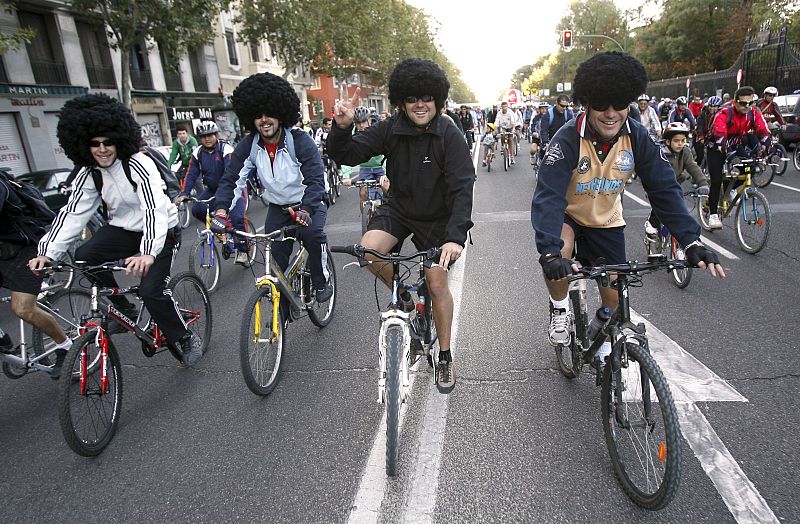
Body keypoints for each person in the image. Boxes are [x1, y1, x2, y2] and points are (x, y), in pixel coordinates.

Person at [531, 52, 724, 367]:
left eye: (619, 104)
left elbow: (664, 189)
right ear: (587, 103)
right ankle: (560, 307)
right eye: (601, 104)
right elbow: (549, 197)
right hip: (568, 215)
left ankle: (603, 348)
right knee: (559, 250)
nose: (611, 113)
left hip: (607, 219)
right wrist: (550, 253)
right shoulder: (566, 139)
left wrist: (691, 241)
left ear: (629, 103)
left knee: (614, 300)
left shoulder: (638, 137)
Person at [327, 58, 475, 393]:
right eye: (411, 98)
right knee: (368, 251)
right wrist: (342, 127)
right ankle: (405, 298)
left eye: (427, 97)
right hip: (399, 210)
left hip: (438, 218)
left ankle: (445, 356)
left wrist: (455, 238)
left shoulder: (449, 133)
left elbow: (463, 188)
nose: (420, 104)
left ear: (438, 99)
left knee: (436, 283)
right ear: (401, 102)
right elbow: (348, 154)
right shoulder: (391, 128)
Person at [30, 93, 203, 366]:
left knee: (151, 291)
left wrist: (148, 253)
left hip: (161, 231)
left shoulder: (139, 163)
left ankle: (184, 336)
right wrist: (47, 252)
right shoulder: (90, 172)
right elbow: (73, 213)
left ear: (119, 140)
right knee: (85, 256)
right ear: (84, 145)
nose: (102, 149)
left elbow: (154, 209)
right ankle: (125, 310)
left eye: (108, 142)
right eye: (94, 143)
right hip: (123, 230)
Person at [212, 72, 333, 303]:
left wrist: (307, 209)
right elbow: (231, 180)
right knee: (276, 266)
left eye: (269, 113)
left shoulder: (300, 141)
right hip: (278, 208)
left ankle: (321, 281)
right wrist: (221, 211)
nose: (264, 120)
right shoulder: (249, 146)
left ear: (281, 114)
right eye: (258, 115)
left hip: (308, 204)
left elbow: (316, 180)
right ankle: (283, 312)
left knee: (313, 236)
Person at [0, 174, 72, 377]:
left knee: (22, 308)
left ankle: (65, 345)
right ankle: (2, 337)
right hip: (2, 251)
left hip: (25, 248)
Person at [175, 122, 250, 265]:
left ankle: (243, 249)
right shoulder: (198, 153)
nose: (207, 139)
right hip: (212, 189)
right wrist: (184, 193)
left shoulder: (226, 149)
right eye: (203, 136)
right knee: (197, 209)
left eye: (210, 135)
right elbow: (191, 174)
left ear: (216, 135)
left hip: (233, 189)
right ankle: (221, 232)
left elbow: (231, 175)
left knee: (237, 217)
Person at [705, 86, 771, 230]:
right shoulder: (723, 113)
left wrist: (767, 148)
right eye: (743, 103)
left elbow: (762, 131)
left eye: (750, 103)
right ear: (735, 102)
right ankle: (713, 215)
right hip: (716, 148)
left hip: (735, 145)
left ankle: (728, 189)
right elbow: (720, 137)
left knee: (750, 168)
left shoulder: (753, 114)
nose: (747, 106)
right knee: (716, 180)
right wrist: (730, 155)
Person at [644, 122, 708, 246]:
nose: (680, 144)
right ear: (668, 141)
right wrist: (651, 189)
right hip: (658, 185)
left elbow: (693, 167)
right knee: (660, 207)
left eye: (683, 140)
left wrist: (702, 183)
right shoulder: (660, 152)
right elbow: (651, 171)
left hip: (675, 184)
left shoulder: (685, 152)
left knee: (679, 209)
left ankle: (681, 241)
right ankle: (651, 225)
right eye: (676, 141)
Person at [349, 106, 386, 208]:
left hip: (380, 167)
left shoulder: (377, 131)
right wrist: (346, 175)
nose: (361, 125)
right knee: (363, 193)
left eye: (363, 121)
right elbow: (347, 154)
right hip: (365, 169)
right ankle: (365, 217)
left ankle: (389, 210)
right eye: (358, 123)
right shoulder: (352, 135)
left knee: (386, 189)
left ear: (369, 120)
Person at [694, 95, 722, 167]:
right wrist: (701, 137)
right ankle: (695, 168)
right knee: (700, 156)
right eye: (710, 106)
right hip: (701, 135)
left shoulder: (722, 115)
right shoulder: (703, 113)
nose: (712, 108)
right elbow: (699, 126)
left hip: (713, 136)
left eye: (714, 106)